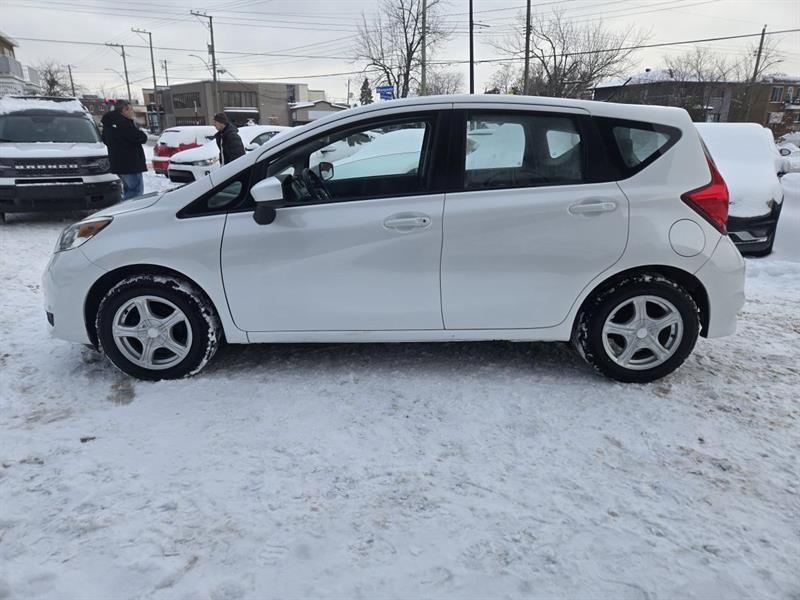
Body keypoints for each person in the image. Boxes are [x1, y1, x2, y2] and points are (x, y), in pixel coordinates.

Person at [101, 100, 148, 200]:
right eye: (130, 110)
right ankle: (129, 213)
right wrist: (137, 129)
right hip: (131, 165)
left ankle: (126, 211)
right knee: (135, 193)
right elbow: (142, 138)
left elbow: (105, 140)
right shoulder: (124, 124)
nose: (132, 112)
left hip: (118, 164)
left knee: (128, 190)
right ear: (123, 110)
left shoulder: (108, 124)